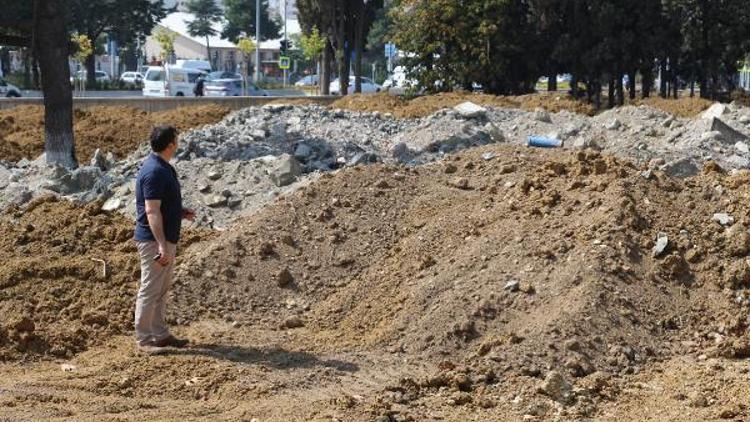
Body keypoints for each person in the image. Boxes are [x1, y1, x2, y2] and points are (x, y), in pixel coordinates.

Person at [133, 125, 195, 352]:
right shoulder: (154, 171)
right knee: (150, 288)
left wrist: (179, 211)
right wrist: (160, 244)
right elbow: (151, 210)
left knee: (161, 288)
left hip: (164, 239)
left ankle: (159, 333)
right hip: (153, 241)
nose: (178, 143)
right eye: (176, 140)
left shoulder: (162, 168)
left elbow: (161, 204)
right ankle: (144, 339)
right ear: (170, 144)